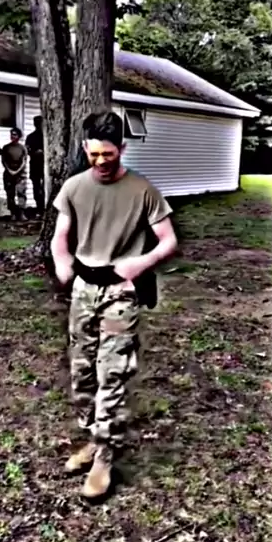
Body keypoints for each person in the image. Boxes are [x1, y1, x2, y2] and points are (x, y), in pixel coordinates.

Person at [51, 111, 178, 499]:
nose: (101, 161)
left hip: (121, 292)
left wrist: (140, 263)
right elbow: (60, 236)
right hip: (83, 291)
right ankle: (93, 437)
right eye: (94, 154)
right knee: (82, 373)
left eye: (109, 154)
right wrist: (61, 261)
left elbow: (168, 240)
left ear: (121, 147)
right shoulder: (74, 187)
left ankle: (105, 458)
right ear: (85, 148)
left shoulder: (143, 190)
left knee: (112, 373)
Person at [1, 127, 28, 222]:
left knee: (21, 193)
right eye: (11, 134)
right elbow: (4, 161)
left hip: (20, 175)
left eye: (15, 134)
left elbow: (24, 161)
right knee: (10, 194)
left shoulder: (22, 148)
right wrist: (10, 171)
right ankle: (13, 213)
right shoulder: (6, 148)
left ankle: (21, 213)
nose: (13, 136)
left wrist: (17, 171)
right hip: (9, 174)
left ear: (19, 136)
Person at [26, 115, 44, 217]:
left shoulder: (46, 137)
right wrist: (35, 152)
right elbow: (27, 150)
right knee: (36, 188)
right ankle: (39, 209)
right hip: (35, 165)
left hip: (45, 166)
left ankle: (45, 208)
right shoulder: (31, 137)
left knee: (45, 188)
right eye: (37, 123)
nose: (39, 125)